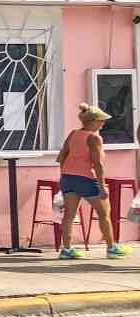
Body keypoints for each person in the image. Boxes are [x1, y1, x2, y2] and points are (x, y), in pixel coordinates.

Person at [56, 102, 131, 260]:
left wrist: (64, 174)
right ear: (93, 121)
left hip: (68, 177)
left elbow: (61, 155)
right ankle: (111, 248)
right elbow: (97, 164)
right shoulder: (94, 138)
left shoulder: (73, 134)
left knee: (68, 215)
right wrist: (102, 187)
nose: (103, 123)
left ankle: (66, 249)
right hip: (87, 179)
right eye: (101, 120)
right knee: (104, 214)